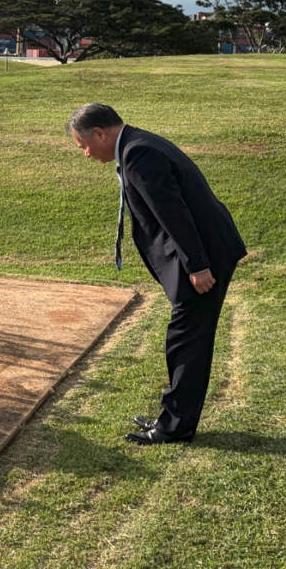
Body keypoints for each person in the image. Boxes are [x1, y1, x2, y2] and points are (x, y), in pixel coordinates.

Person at [67, 104, 246, 445]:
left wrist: (197, 266)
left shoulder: (139, 153)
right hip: (203, 252)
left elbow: (173, 212)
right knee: (188, 339)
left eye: (84, 146)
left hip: (204, 256)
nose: (86, 154)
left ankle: (173, 427)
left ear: (100, 134)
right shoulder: (138, 144)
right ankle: (174, 420)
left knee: (187, 342)